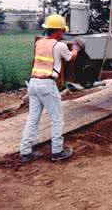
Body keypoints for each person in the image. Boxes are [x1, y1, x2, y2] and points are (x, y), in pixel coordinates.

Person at [19, 14, 78, 163]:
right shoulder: (60, 46)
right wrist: (77, 48)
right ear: (58, 30)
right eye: (62, 31)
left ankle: (25, 152)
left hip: (33, 83)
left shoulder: (39, 43)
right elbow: (70, 58)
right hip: (47, 84)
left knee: (32, 119)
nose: (63, 33)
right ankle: (57, 152)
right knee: (57, 119)